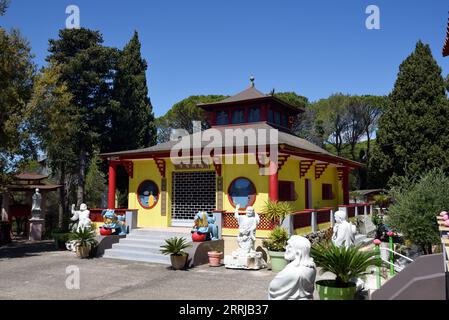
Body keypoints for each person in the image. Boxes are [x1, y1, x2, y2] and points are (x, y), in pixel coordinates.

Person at [268, 236, 316, 300]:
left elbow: (273, 287)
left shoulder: (292, 271)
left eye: (289, 246)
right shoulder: (311, 266)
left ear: (298, 253)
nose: (286, 248)